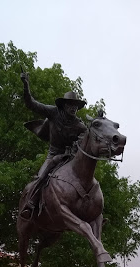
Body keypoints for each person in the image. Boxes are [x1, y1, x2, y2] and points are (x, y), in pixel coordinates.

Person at [20, 70, 87, 220]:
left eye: (76, 105)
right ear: (64, 105)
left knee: (86, 177)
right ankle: (30, 204)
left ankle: (90, 212)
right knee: (41, 176)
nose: (73, 107)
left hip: (70, 158)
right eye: (70, 104)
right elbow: (31, 103)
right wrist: (26, 85)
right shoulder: (53, 112)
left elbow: (86, 142)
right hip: (54, 155)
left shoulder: (80, 126)